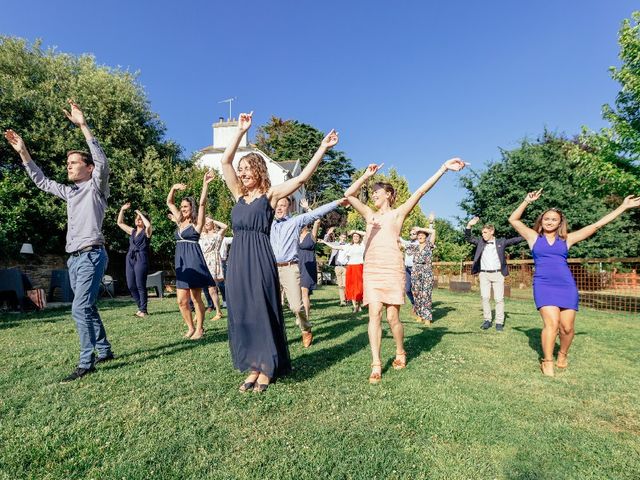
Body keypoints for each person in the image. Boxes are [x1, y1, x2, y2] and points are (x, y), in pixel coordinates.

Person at [220, 111, 338, 393]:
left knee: (262, 309)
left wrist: (322, 148)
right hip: (237, 259)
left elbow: (301, 179)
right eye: (242, 168)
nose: (243, 172)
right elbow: (224, 160)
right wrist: (239, 131)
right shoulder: (237, 192)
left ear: (259, 170)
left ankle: (267, 367)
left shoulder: (270, 196)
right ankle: (252, 366)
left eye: (248, 168)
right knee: (243, 312)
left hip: (260, 256)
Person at [5, 100, 115, 381]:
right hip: (74, 258)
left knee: (79, 308)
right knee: (87, 306)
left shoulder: (96, 188)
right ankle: (104, 350)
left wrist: (84, 126)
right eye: (67, 163)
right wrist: (24, 152)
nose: (69, 166)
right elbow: (41, 181)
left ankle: (86, 362)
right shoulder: (70, 193)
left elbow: (102, 161)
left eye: (74, 162)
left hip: (92, 254)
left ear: (88, 168)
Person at [345, 159, 466, 384]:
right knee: (374, 314)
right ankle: (376, 364)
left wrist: (442, 168)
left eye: (378, 192)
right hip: (372, 270)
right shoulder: (369, 215)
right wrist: (366, 176)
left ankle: (400, 350)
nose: (374, 195)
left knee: (392, 317)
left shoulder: (398, 214)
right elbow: (349, 194)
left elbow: (420, 191)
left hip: (392, 269)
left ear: (389, 195)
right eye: (373, 192)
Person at [509, 189, 640, 376]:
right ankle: (547, 361)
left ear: (560, 222)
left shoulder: (567, 239)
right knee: (552, 324)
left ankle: (562, 353)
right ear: (541, 221)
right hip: (543, 284)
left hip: (566, 285)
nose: (549, 221)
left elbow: (596, 225)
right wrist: (526, 201)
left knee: (567, 327)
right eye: (546, 218)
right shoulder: (533, 237)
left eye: (554, 219)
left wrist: (623, 206)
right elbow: (513, 220)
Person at [271, 195, 345, 348]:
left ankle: (306, 328)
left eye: (283, 205)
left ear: (289, 207)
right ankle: (273, 338)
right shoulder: (268, 224)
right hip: (270, 268)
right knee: (270, 305)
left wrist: (337, 202)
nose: (279, 208)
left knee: (296, 307)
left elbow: (315, 214)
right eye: (277, 205)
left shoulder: (295, 222)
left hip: (290, 267)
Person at [166, 171, 216, 340]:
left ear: (191, 208)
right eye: (181, 207)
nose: (182, 209)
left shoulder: (197, 223)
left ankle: (200, 329)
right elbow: (169, 202)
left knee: (196, 298)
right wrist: (173, 188)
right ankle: (190, 327)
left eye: (186, 207)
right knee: (181, 300)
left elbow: (202, 204)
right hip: (182, 264)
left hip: (194, 261)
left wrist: (205, 184)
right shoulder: (179, 221)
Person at [464, 216, 524, 332]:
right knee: (485, 298)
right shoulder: (480, 242)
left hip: (498, 274)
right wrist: (469, 225)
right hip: (484, 275)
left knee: (499, 299)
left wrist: (529, 234)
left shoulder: (501, 242)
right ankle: (487, 320)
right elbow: (468, 238)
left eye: (485, 232)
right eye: (482, 233)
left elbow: (515, 240)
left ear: (492, 231)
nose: (483, 235)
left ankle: (499, 322)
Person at [117, 203, 152, 318]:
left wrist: (140, 214)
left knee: (140, 285)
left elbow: (148, 226)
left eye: (140, 219)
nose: (138, 220)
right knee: (131, 285)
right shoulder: (132, 231)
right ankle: (140, 307)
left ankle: (143, 310)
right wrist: (122, 210)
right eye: (137, 219)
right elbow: (120, 223)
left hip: (141, 258)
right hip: (130, 258)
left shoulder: (147, 232)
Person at [320, 230, 366, 312]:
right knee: (351, 287)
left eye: (357, 236)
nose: (355, 238)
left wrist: (354, 231)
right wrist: (324, 242)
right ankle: (355, 306)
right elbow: (335, 247)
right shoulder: (348, 246)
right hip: (351, 267)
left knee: (359, 287)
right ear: (352, 238)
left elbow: (366, 234)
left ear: (359, 238)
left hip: (359, 267)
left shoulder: (362, 245)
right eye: (354, 236)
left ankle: (359, 305)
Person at [405, 226, 437, 324]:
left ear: (426, 236)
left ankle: (427, 317)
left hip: (426, 270)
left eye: (422, 235)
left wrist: (419, 228)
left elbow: (433, 231)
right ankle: (419, 315)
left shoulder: (429, 245)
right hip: (415, 271)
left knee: (426, 294)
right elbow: (402, 245)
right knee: (416, 294)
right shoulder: (414, 246)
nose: (420, 236)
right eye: (418, 235)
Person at [199, 217, 228, 320]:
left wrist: (213, 220)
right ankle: (199, 312)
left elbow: (225, 226)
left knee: (212, 289)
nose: (206, 223)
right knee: (199, 288)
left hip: (213, 262)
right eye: (205, 222)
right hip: (203, 261)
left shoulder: (218, 235)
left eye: (208, 221)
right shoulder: (202, 235)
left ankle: (218, 312)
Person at [298, 217, 321, 322]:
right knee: (299, 293)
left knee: (304, 291)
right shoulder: (295, 236)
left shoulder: (311, 236)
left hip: (308, 266)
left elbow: (317, 221)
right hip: (297, 265)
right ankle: (300, 315)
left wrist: (308, 209)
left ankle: (306, 318)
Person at [324, 228, 349, 306]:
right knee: (340, 285)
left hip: (345, 267)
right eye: (342, 237)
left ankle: (347, 299)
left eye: (345, 237)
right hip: (337, 267)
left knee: (345, 285)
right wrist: (328, 234)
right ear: (340, 237)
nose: (343, 239)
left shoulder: (348, 246)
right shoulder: (335, 244)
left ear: (346, 238)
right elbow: (326, 242)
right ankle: (343, 301)